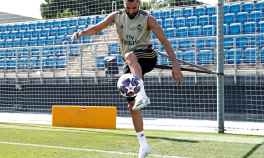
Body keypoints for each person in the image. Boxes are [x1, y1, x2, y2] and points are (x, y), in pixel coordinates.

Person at [71, 0, 183, 157]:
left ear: (139, 3)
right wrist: (81, 33)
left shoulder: (148, 18)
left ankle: (142, 94)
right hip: (130, 62)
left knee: (130, 55)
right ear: (124, 4)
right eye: (128, 7)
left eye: (134, 7)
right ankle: (143, 144)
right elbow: (98, 28)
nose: (131, 10)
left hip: (147, 55)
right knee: (132, 106)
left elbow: (164, 41)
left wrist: (175, 64)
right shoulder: (116, 16)